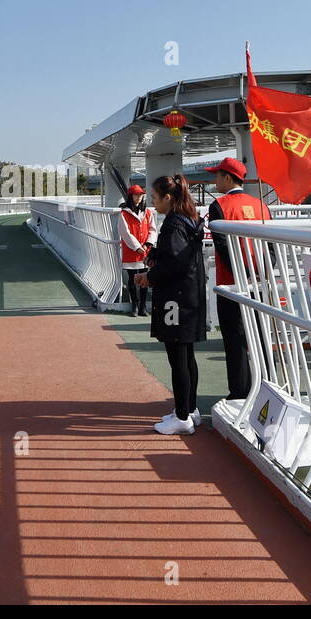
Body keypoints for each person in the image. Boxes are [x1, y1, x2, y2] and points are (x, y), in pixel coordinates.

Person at [136, 174, 208, 435]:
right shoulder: (189, 218)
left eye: (155, 198)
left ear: (168, 197)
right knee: (186, 356)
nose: (153, 203)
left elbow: (175, 263)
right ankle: (189, 409)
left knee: (177, 357)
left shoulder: (173, 224)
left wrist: (149, 277)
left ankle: (181, 417)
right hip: (189, 295)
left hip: (175, 300)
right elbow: (178, 257)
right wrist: (157, 256)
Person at [204, 156, 271, 405]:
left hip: (231, 283)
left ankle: (240, 392)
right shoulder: (261, 206)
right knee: (261, 336)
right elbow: (270, 244)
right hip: (260, 281)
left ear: (227, 177)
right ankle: (266, 386)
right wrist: (262, 271)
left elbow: (221, 246)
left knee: (235, 338)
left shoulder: (219, 206)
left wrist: (241, 272)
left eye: (217, 176)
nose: (215, 180)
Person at [119, 184, 157, 317]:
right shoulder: (124, 213)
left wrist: (147, 244)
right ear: (130, 196)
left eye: (141, 195)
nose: (139, 198)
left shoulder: (147, 212)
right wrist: (137, 247)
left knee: (144, 277)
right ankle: (134, 306)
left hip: (145, 250)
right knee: (131, 279)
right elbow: (125, 233)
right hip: (131, 251)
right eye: (136, 195)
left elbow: (153, 229)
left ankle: (142, 307)